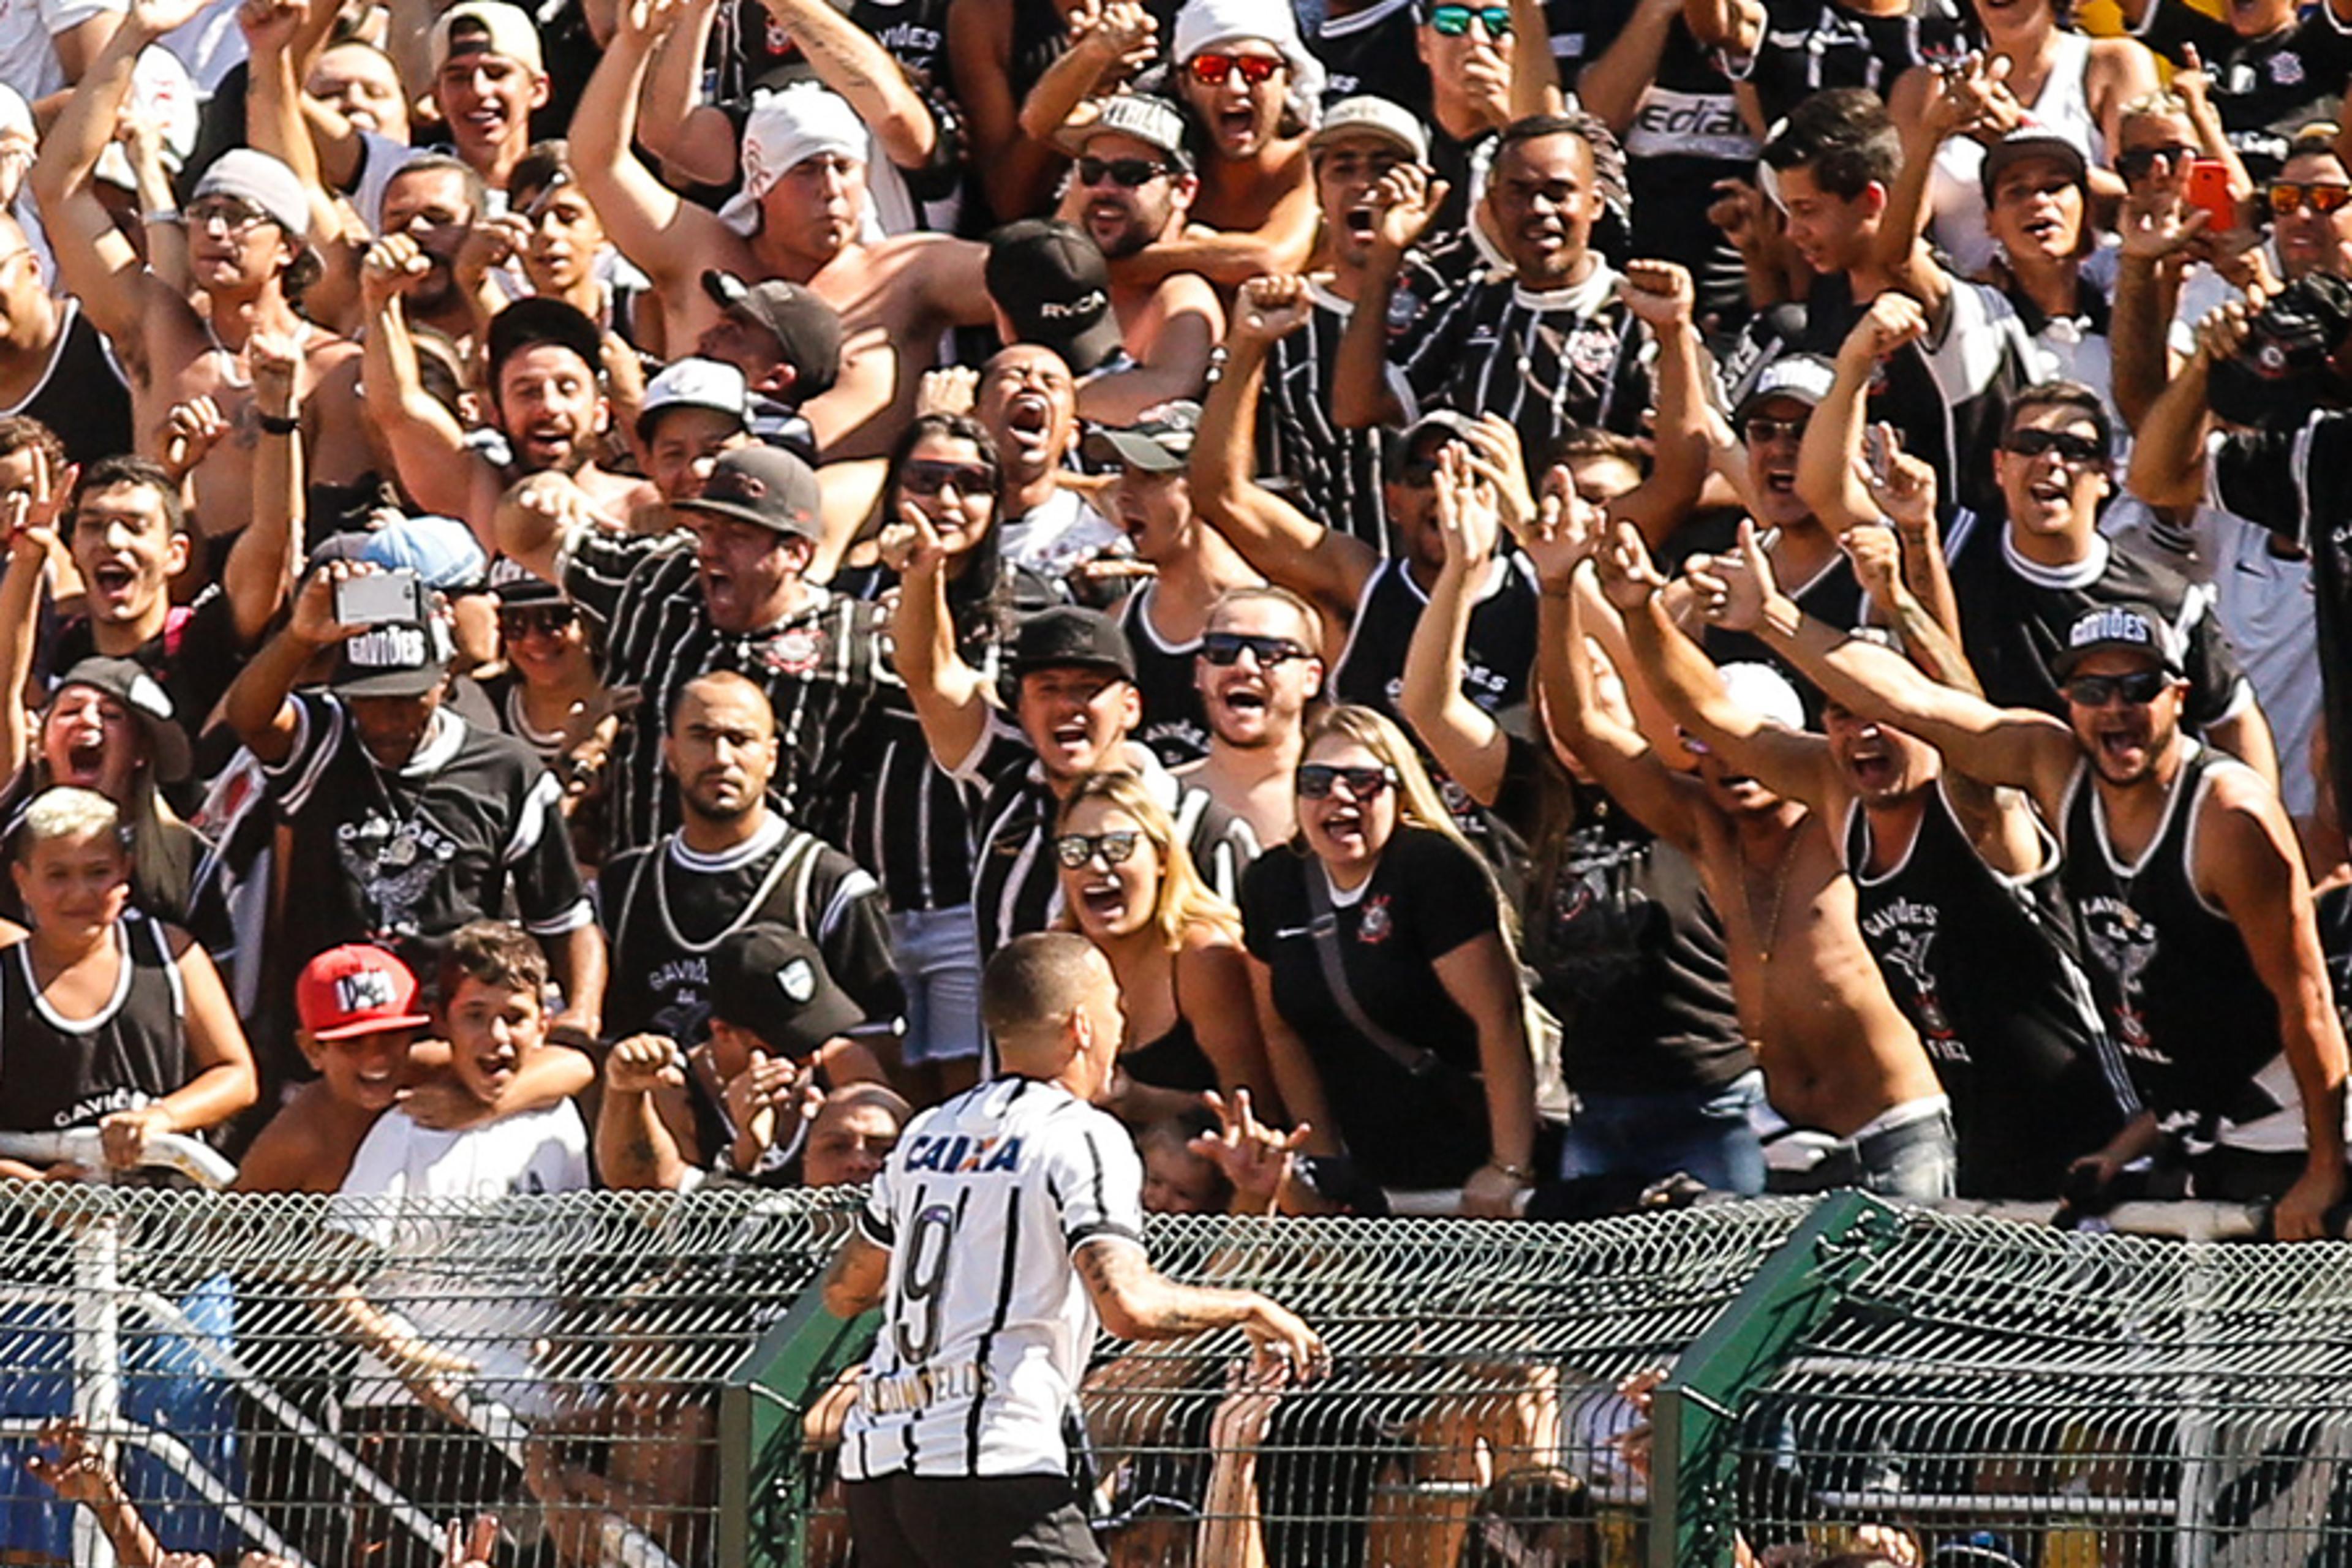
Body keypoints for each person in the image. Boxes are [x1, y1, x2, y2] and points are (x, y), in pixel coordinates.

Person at [1704, 530, 2350, 1238]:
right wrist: (1774, 617)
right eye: (2093, 690)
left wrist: (2324, 1168)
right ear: (2068, 700)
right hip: (2194, 1125)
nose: (2116, 709)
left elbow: (2305, 1001)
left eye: (2139, 689)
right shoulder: (2059, 770)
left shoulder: (2228, 818)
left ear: (2179, 696)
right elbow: (1917, 704)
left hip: (2287, 1131)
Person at [1627, 510, 2136, 1200]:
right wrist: (1636, 612)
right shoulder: (1841, 800)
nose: (1861, 732)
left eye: (1879, 714)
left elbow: (1963, 711)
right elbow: (1712, 717)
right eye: (1838, 714)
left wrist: (1862, 602)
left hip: (2095, 1139)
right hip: (1983, 1145)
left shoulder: (1976, 805)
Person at [821, 930, 1326, 1568]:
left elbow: (845, 1290)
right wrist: (1251, 1306)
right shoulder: (1082, 1135)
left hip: (879, 1466)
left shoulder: (926, 1132)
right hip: (993, 1462)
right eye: (1115, 1006)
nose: (1124, 1023)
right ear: (1082, 1026)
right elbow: (1129, 1306)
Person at [1559, 522, 1952, 1199]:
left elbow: (1941, 713)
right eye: (1710, 748)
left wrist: (1913, 554)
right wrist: (1562, 591)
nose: (1734, 762)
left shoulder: (1843, 812)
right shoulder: (1709, 832)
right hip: (1783, 1143)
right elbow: (1587, 731)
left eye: (1749, 741)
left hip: (1894, 1132)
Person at [1401, 464, 1762, 1194]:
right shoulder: (1536, 796)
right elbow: (1428, 706)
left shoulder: (1676, 787)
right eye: (1567, 683)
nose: (1586, 695)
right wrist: (1465, 573)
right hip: (1597, 1110)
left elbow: (1631, 686)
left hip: (1712, 1104)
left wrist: (1569, 581)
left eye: (1605, 683)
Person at [571, 0, 993, 459]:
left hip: (862, 510)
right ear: (761, 185)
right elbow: (599, 163)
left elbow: (1031, 278)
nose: (831, 189)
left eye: (844, 168)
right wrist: (633, 45)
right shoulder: (702, 254)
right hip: (699, 508)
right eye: (807, 170)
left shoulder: (908, 273)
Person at [221, 562, 602, 1046]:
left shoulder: (506, 772)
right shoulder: (324, 739)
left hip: (451, 1048)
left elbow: (565, 918)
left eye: (406, 698)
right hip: (334, 1051)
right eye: (370, 699)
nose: (386, 719)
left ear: (444, 681)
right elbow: (248, 717)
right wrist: (299, 637)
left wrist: (582, 1015)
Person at [35, 4, 372, 545]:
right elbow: (57, 187)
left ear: (287, 248)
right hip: (161, 597)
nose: (215, 229)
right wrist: (133, 36)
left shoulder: (332, 367)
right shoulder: (159, 330)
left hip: (283, 601)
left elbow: (328, 524)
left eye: (237, 217)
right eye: (203, 213)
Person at [327, 922, 592, 1567]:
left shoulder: (561, 1120)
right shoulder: (407, 1128)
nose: (496, 1037)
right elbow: (331, 1278)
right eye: (475, 1015)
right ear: (442, 1021)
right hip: (409, 1415)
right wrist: (407, 1356)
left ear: (543, 1025)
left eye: (514, 1017)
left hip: (533, 1415)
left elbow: (580, 1258)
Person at [493, 442, 895, 858]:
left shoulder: (854, 640)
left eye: (738, 534)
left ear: (797, 553)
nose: (710, 549)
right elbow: (521, 539)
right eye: (706, 528)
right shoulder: (660, 580)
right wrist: (541, 491)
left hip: (775, 894)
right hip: (639, 881)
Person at [895, 519, 1257, 957]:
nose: (1068, 705)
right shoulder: (1008, 786)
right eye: (1048, 688)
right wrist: (922, 576)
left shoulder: (1203, 827)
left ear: (1131, 707)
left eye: (1089, 688)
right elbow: (928, 676)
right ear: (1022, 710)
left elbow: (1239, 975)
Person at [1238, 705, 1538, 1214]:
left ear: (1399, 794)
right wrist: (1323, 1161)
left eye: (1363, 781)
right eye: (1316, 781)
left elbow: (1500, 1018)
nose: (1338, 796)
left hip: (1468, 1158)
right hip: (1367, 1173)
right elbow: (1279, 1031)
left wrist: (1508, 1166)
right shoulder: (1273, 882)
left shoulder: (1432, 869)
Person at [596, 670, 900, 1049]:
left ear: (771, 757)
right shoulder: (621, 887)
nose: (722, 758)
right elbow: (598, 1039)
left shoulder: (830, 886)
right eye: (702, 737)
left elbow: (878, 1050)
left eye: (740, 740)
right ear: (669, 753)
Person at [1333, 114, 1655, 463]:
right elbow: (1356, 408)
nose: (1539, 209)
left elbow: (1705, 467)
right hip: (1479, 515)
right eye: (1518, 193)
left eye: (1557, 193)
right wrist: (1385, 258)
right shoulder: (1476, 301)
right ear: (1494, 204)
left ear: (1595, 204)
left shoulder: (1639, 314)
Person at [0, 786, 256, 1180]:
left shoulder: (170, 953)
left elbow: (236, 1075)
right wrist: (29, 1186)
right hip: (36, 1235)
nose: (80, 893)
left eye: (98, 872)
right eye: (57, 875)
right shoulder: (7, 978)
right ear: (22, 881)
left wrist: (160, 1118)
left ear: (126, 871)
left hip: (166, 1226)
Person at [235, 942, 593, 1194]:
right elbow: (226, 1234)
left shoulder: (430, 1067)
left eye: (390, 1038)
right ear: (313, 1050)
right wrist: (320, 1284)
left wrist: (482, 1104)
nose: (375, 1059)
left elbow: (575, 1065)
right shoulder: (302, 1134)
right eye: (352, 1043)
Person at [1055, 768, 1275, 1119]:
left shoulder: (1203, 954)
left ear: (1161, 857)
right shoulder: (1060, 959)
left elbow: (1254, 1109)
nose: (1095, 865)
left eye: (1117, 847)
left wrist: (1143, 1100)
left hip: (1205, 1163)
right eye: (1075, 850)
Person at [597, 922, 886, 1189]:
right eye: (790, 1046)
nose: (811, 1058)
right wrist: (745, 1153)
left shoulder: (845, 1065)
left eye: (818, 1034)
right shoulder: (676, 1089)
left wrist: (839, 1132)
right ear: (722, 1031)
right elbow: (660, 1206)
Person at [1091, 402, 1261, 769]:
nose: (1124, 493)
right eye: (1123, 473)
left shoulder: (1278, 620)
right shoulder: (1118, 625)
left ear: (1209, 484)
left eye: (1150, 476)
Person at [1178, 586, 1330, 847]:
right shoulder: (1159, 800)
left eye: (1270, 652)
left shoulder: (1340, 803)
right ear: (1200, 672)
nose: (1244, 666)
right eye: (1223, 650)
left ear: (1311, 677)